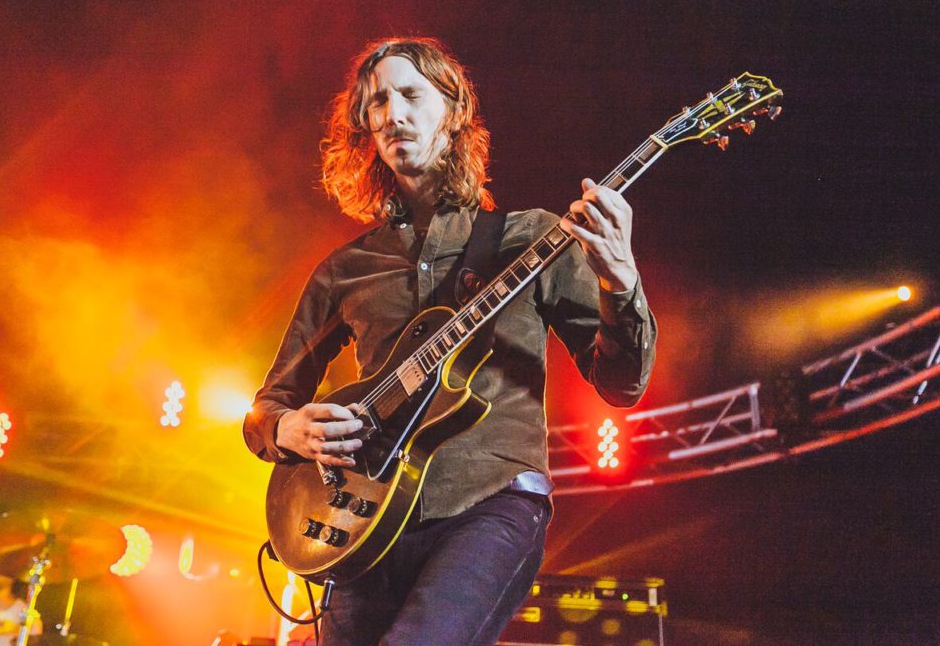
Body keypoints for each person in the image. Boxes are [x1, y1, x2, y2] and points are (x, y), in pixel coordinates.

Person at [242, 37, 657, 645]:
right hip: (362, 523)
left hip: (487, 504)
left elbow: (622, 386)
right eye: (377, 102)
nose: (391, 114)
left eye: (410, 94)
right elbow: (268, 405)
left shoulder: (531, 239)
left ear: (455, 110)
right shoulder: (345, 270)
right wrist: (286, 430)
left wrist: (620, 280)